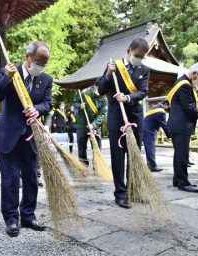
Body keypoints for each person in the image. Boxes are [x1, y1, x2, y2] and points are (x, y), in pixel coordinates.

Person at [0, 41, 52, 237]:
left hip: (30, 137)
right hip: (8, 136)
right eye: (37, 62)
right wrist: (6, 79)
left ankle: (28, 216)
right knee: (10, 180)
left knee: (31, 178)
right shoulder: (9, 71)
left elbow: (48, 103)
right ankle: (11, 219)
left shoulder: (46, 79)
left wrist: (37, 109)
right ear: (28, 57)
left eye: (43, 64)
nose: (39, 67)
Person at [98, 38, 150, 209]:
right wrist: (107, 74)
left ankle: (133, 190)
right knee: (118, 158)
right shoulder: (114, 66)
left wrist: (127, 97)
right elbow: (100, 90)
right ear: (128, 51)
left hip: (135, 119)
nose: (139, 59)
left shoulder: (144, 70)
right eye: (136, 55)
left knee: (134, 156)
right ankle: (120, 194)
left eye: (142, 57)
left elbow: (143, 92)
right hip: (116, 118)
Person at [167, 63, 198, 193]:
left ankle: (177, 179)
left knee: (179, 154)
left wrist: (197, 98)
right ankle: (183, 182)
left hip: (178, 124)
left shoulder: (183, 82)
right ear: (194, 74)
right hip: (181, 125)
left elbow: (185, 102)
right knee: (182, 155)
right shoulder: (184, 85)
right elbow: (188, 107)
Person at [73, 77, 107, 166]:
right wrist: (80, 105)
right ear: (95, 86)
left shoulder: (104, 99)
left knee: (97, 148)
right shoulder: (84, 93)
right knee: (81, 147)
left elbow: (102, 114)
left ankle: (97, 166)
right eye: (100, 87)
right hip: (82, 125)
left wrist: (94, 125)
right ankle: (83, 165)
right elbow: (74, 103)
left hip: (95, 126)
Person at [143, 99, 171, 172]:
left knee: (150, 148)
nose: (169, 109)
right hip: (149, 131)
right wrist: (170, 135)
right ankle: (152, 166)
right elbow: (164, 125)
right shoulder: (161, 112)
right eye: (169, 107)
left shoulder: (155, 107)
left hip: (145, 129)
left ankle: (150, 165)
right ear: (165, 104)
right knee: (151, 149)